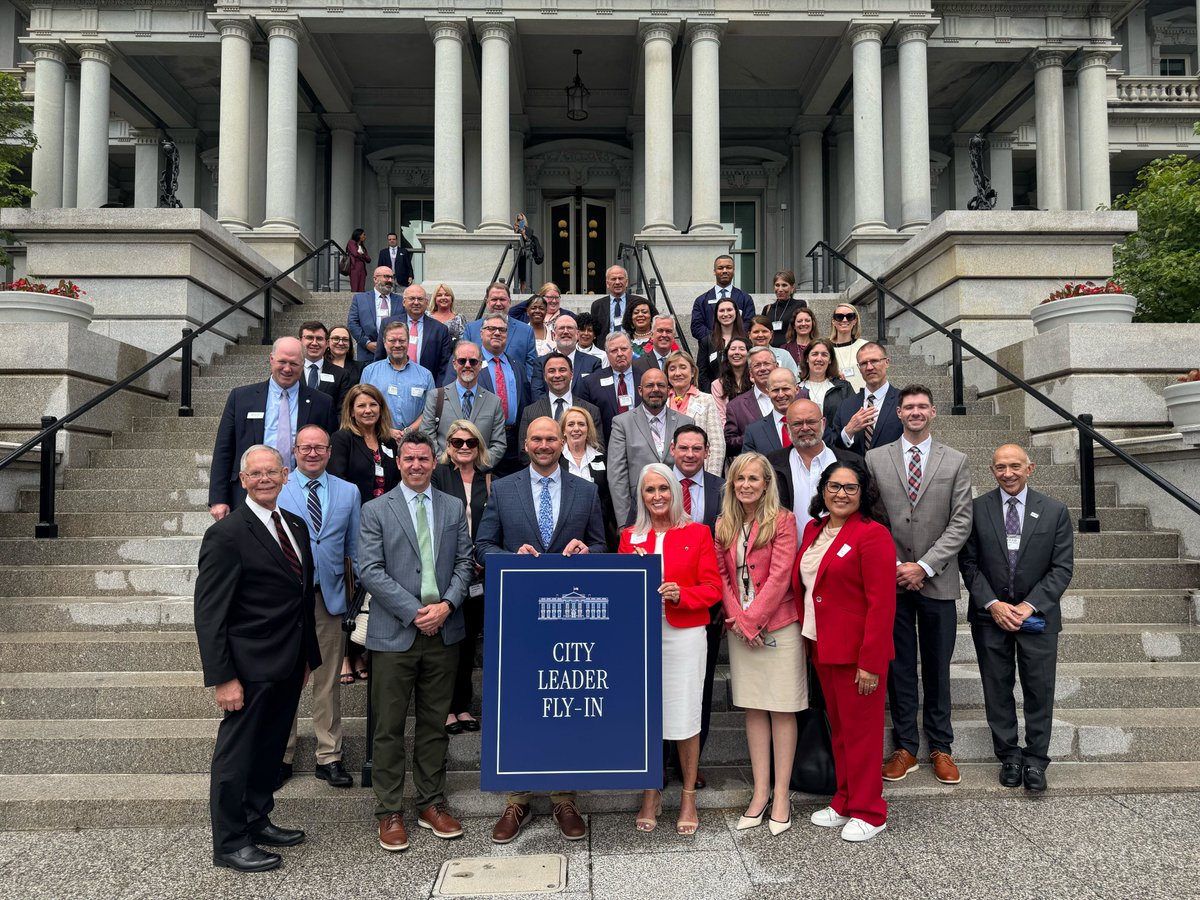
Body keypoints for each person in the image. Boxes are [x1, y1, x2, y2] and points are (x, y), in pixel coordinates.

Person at [474, 417, 607, 844]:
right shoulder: (504, 488)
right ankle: (517, 799)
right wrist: (511, 557)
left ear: (563, 443)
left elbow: (602, 545)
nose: (545, 444)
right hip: (519, 616)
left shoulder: (585, 490)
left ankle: (564, 798)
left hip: (570, 618)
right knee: (521, 702)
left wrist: (587, 552)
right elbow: (483, 545)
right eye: (538, 438)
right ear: (525, 444)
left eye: (552, 438)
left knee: (562, 704)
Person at [194, 445, 322, 872]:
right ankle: (230, 843)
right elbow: (210, 612)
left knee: (269, 752)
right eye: (256, 473)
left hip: (288, 664)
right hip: (247, 668)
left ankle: (256, 818)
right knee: (237, 757)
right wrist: (222, 677)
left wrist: (308, 658)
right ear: (243, 479)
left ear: (286, 475)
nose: (265, 479)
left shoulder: (296, 525)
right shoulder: (226, 534)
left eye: (272, 471)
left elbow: (303, 597)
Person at [358, 430, 474, 852]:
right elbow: (370, 570)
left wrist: (445, 605)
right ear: (399, 462)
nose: (416, 465)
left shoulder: (451, 505)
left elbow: (465, 562)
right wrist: (414, 611)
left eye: (424, 459)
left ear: (434, 461)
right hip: (395, 633)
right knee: (387, 728)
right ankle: (389, 810)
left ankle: (430, 802)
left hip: (443, 631)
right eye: (409, 459)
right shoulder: (375, 510)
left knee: (433, 725)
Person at [865, 384, 973, 787]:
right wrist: (895, 565)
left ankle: (941, 746)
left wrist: (924, 566)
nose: (915, 412)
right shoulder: (876, 458)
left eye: (922, 406)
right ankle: (906, 746)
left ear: (933, 413)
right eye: (908, 406)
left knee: (937, 667)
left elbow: (961, 521)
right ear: (898, 413)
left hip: (938, 580)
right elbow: (871, 516)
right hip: (891, 580)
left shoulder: (956, 461)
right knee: (900, 667)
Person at [960, 444, 1074, 793]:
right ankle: (1009, 754)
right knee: (997, 686)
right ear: (991, 470)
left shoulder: (1054, 511)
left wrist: (1029, 606)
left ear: (1030, 468)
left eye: (1014, 466)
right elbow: (969, 563)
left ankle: (1036, 759)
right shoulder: (977, 510)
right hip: (990, 616)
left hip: (1037, 619)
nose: (1007, 473)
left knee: (1039, 689)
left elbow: (1062, 567)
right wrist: (992, 603)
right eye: (999, 467)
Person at [794, 458, 896, 843]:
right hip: (822, 645)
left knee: (862, 735)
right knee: (839, 730)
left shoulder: (873, 535)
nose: (841, 494)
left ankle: (871, 811)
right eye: (834, 486)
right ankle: (844, 799)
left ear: (862, 493)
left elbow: (882, 604)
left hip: (858, 655)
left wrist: (870, 662)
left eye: (850, 488)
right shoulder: (814, 529)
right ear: (822, 490)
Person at [619, 464, 722, 835]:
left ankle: (689, 795)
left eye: (664, 488)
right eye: (649, 490)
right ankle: (651, 791)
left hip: (685, 633)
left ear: (675, 492)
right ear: (641, 496)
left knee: (686, 715)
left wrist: (683, 594)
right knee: (648, 715)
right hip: (642, 636)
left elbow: (713, 589)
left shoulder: (697, 533)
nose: (657, 496)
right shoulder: (629, 537)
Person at [714, 453, 801, 835]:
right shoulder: (724, 523)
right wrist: (739, 618)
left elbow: (782, 575)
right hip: (740, 627)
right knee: (753, 709)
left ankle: (781, 793)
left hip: (778, 625)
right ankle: (760, 791)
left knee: (781, 709)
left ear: (767, 483)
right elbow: (722, 577)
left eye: (753, 478)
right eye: (739, 479)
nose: (745, 485)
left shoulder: (783, 520)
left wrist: (755, 620)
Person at [277, 425, 360, 791]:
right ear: (294, 451)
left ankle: (329, 756)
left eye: (319, 448)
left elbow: (354, 547)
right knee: (284, 679)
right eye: (305, 447)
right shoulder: (277, 487)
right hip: (285, 600)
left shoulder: (348, 492)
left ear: (329, 452)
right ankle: (281, 754)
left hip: (330, 597)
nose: (312, 453)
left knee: (326, 680)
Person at [208, 337, 336, 521]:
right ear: (271, 359)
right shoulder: (241, 398)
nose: (287, 369)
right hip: (250, 491)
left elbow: (327, 452)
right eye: (282, 362)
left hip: (303, 493)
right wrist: (218, 499)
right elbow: (224, 449)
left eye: (294, 363)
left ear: (303, 365)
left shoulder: (322, 402)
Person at [665, 424, 725, 788]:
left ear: (706, 452)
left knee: (698, 687)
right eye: (683, 447)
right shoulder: (655, 484)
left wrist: (719, 597)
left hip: (707, 603)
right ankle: (656, 760)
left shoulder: (722, 488)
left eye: (696, 448)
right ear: (672, 449)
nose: (689, 454)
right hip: (661, 608)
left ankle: (690, 761)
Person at [328, 383, 399, 682]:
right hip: (355, 524)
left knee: (378, 588)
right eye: (361, 406)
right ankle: (347, 655)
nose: (368, 410)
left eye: (373, 405)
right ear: (351, 411)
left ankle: (365, 650)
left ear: (381, 408)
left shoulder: (389, 441)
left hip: (387, 524)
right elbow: (338, 481)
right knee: (353, 586)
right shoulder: (343, 439)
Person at [432, 419, 494, 736]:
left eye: (470, 442)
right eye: (458, 442)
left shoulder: (490, 479)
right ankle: (445, 709)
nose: (465, 448)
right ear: (449, 446)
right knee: (447, 643)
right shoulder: (438, 475)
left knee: (469, 641)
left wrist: (481, 558)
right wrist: (461, 558)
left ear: (479, 446)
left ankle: (463, 705)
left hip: (480, 573)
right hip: (447, 569)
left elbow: (494, 522)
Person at [608, 367, 694, 528]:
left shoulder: (686, 423)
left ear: (669, 390)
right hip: (638, 511)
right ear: (640, 390)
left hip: (678, 511)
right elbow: (616, 476)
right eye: (650, 385)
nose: (655, 389)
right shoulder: (622, 423)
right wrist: (624, 523)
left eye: (661, 385)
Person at [768, 398, 856, 540]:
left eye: (811, 422)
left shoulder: (852, 462)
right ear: (786, 428)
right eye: (797, 423)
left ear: (823, 423)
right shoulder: (771, 465)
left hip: (843, 557)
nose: (805, 428)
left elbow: (870, 512)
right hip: (790, 558)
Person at [421, 340, 507, 464]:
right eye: (462, 361)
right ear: (454, 364)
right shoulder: (436, 397)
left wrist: (476, 466)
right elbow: (427, 436)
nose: (467, 365)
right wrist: (446, 466)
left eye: (473, 361)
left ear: (480, 365)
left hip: (479, 475)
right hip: (445, 474)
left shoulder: (494, 402)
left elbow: (498, 444)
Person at [476, 312, 533, 476]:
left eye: (502, 330)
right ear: (482, 333)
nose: (497, 333)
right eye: (491, 328)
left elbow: (525, 403)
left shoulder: (516, 365)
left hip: (514, 439)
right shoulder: (470, 363)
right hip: (484, 438)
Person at [518, 352, 602, 462]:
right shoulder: (530, 412)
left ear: (571, 374)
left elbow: (598, 448)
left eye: (562, 370)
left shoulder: (591, 410)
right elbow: (524, 453)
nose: (557, 375)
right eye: (551, 371)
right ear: (544, 376)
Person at [360, 321, 435, 441]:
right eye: (392, 340)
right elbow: (362, 407)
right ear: (384, 343)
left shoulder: (425, 375)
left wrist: (409, 431)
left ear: (408, 342)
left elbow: (430, 411)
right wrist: (386, 430)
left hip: (414, 441)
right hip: (378, 438)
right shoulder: (369, 372)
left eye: (402, 340)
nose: (397, 344)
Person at [576, 331, 655, 442]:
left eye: (624, 349)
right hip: (607, 445)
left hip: (643, 443)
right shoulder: (591, 382)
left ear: (631, 351)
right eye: (614, 350)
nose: (620, 354)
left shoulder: (647, 378)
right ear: (607, 355)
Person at [559, 405, 618, 550]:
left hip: (598, 529)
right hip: (564, 529)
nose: (576, 429)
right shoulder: (556, 460)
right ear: (564, 431)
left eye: (581, 424)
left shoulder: (602, 459)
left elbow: (608, 496)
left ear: (588, 429)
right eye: (571, 424)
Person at [828, 342, 901, 456]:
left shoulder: (903, 400)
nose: (869, 367)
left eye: (874, 361)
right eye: (863, 363)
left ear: (887, 362)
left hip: (890, 471)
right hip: (856, 471)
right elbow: (833, 446)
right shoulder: (846, 405)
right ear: (859, 368)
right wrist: (848, 432)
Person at [375, 284, 453, 388]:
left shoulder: (440, 329)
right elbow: (379, 357)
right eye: (412, 298)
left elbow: (444, 366)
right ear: (404, 302)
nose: (416, 302)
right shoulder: (388, 324)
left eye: (420, 299)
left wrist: (436, 392)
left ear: (426, 303)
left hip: (426, 386)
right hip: (391, 384)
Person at [461, 283, 540, 383]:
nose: (498, 303)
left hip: (515, 392)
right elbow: (462, 362)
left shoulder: (526, 331)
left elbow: (531, 368)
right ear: (487, 302)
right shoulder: (471, 330)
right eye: (494, 299)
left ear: (509, 302)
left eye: (502, 299)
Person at [664, 350, 725, 476]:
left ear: (692, 372)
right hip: (668, 474)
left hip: (699, 472)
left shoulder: (706, 400)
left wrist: (710, 478)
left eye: (683, 367)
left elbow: (717, 444)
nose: (677, 373)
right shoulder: (661, 403)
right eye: (672, 369)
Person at [723, 346, 778, 459]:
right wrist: (755, 435)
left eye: (766, 363)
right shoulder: (736, 406)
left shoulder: (797, 397)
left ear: (776, 367)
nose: (762, 368)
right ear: (751, 374)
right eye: (757, 365)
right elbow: (728, 444)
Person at [690, 254, 756, 342]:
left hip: (738, 348)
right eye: (720, 268)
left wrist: (732, 339)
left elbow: (749, 323)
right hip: (710, 349)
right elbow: (696, 327)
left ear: (734, 271)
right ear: (714, 271)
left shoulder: (745, 298)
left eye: (728, 267)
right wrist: (717, 338)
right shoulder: (701, 300)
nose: (724, 271)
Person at [347, 266, 401, 362]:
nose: (390, 280)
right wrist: (367, 343)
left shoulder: (401, 301)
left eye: (392, 277)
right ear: (375, 279)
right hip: (367, 354)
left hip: (395, 354)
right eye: (386, 277)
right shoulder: (360, 299)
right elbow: (352, 323)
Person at [299, 321, 353, 414]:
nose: (314, 343)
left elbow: (342, 412)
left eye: (319, 338)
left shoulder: (341, 375)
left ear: (327, 343)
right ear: (300, 341)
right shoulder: (288, 371)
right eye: (309, 338)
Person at [743, 369, 799, 456]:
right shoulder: (753, 432)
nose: (780, 395)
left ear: (797, 389)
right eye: (775, 390)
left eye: (785, 389)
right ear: (768, 392)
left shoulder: (813, 424)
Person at [698, 297, 748, 391]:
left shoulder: (746, 340)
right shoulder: (707, 342)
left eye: (729, 310)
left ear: (736, 313)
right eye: (721, 310)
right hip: (714, 395)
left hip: (742, 394)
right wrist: (710, 395)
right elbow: (702, 373)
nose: (725, 314)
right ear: (716, 314)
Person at [798, 338, 853, 422]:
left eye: (824, 355)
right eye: (814, 354)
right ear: (807, 359)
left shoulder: (843, 388)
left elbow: (852, 417)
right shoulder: (797, 389)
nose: (819, 359)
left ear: (830, 360)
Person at [542, 311, 601, 389]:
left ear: (577, 334)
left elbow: (595, 393)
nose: (566, 332)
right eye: (561, 328)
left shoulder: (594, 363)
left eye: (570, 328)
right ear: (553, 335)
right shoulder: (540, 362)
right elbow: (538, 393)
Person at [589, 264, 648, 337]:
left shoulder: (638, 302)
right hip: (605, 347)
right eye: (613, 279)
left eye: (620, 278)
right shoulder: (597, 305)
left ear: (626, 282)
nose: (617, 282)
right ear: (607, 283)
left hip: (632, 345)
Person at [759, 270, 808, 349]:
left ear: (792, 288)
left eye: (784, 285)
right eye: (777, 285)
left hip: (790, 349)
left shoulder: (799, 305)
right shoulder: (768, 308)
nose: (780, 289)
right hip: (770, 350)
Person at [710, 336, 751, 425]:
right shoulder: (718, 384)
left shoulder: (755, 381)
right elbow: (721, 417)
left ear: (748, 354)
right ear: (727, 354)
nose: (736, 352)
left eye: (741, 349)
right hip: (731, 432)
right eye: (733, 349)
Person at [829, 303, 868, 391]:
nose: (845, 320)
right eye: (839, 316)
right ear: (833, 321)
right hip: (835, 396)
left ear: (855, 321)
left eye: (850, 316)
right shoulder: (825, 347)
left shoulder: (865, 346)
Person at [344, 228, 371, 292]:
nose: (365, 236)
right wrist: (364, 256)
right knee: (355, 288)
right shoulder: (351, 242)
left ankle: (361, 302)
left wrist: (362, 255)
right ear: (359, 235)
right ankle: (355, 301)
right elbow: (355, 254)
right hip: (354, 267)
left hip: (362, 269)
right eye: (363, 235)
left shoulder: (362, 246)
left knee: (361, 289)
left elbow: (369, 259)